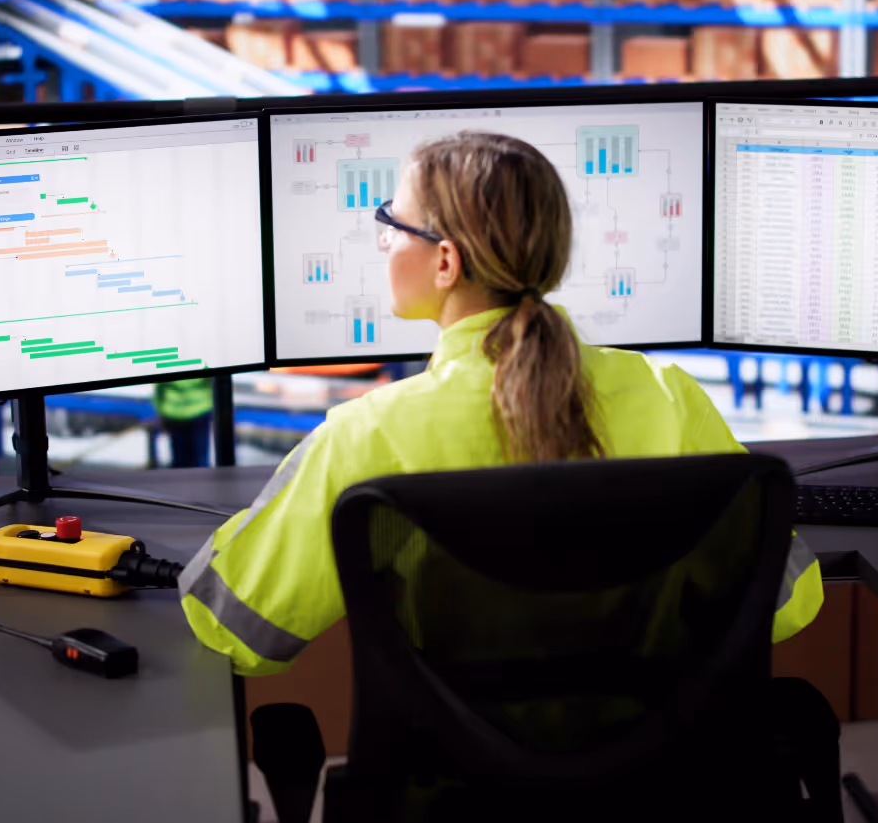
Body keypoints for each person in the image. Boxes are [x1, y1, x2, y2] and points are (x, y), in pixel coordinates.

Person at [179, 132, 823, 676]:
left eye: (391, 224)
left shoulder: (369, 436)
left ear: (445, 263)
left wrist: (266, 517)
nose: (382, 243)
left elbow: (236, 631)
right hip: (648, 793)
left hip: (455, 798)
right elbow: (789, 602)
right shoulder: (668, 398)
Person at [154, 377, 214, 468]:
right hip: (199, 410)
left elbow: (158, 389)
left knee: (180, 461)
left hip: (175, 412)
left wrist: (160, 411)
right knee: (200, 460)